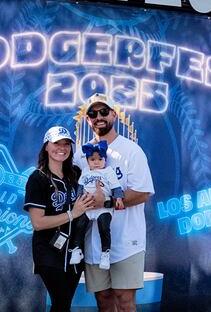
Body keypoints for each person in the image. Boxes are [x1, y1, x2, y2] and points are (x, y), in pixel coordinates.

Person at [73, 92, 154, 312]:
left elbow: (143, 192)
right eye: (93, 113)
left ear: (114, 115)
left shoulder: (131, 151)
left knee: (125, 301)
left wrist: (106, 201)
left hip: (127, 241)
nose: (99, 116)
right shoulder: (80, 154)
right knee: (104, 300)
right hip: (94, 242)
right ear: (87, 119)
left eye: (104, 111)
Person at [24, 126, 95, 312]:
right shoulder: (37, 179)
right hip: (49, 251)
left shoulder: (77, 175)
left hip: (74, 253)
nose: (61, 148)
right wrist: (73, 213)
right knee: (61, 302)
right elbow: (38, 223)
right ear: (46, 146)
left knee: (62, 305)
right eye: (56, 143)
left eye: (66, 144)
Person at [69, 140, 125, 270]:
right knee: (79, 225)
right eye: (92, 159)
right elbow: (80, 187)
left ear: (105, 160)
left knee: (104, 227)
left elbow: (116, 187)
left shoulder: (108, 172)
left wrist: (119, 198)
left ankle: (105, 254)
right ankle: (77, 249)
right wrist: (78, 199)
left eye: (100, 159)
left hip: (103, 206)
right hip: (87, 205)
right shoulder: (85, 172)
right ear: (87, 161)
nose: (96, 162)